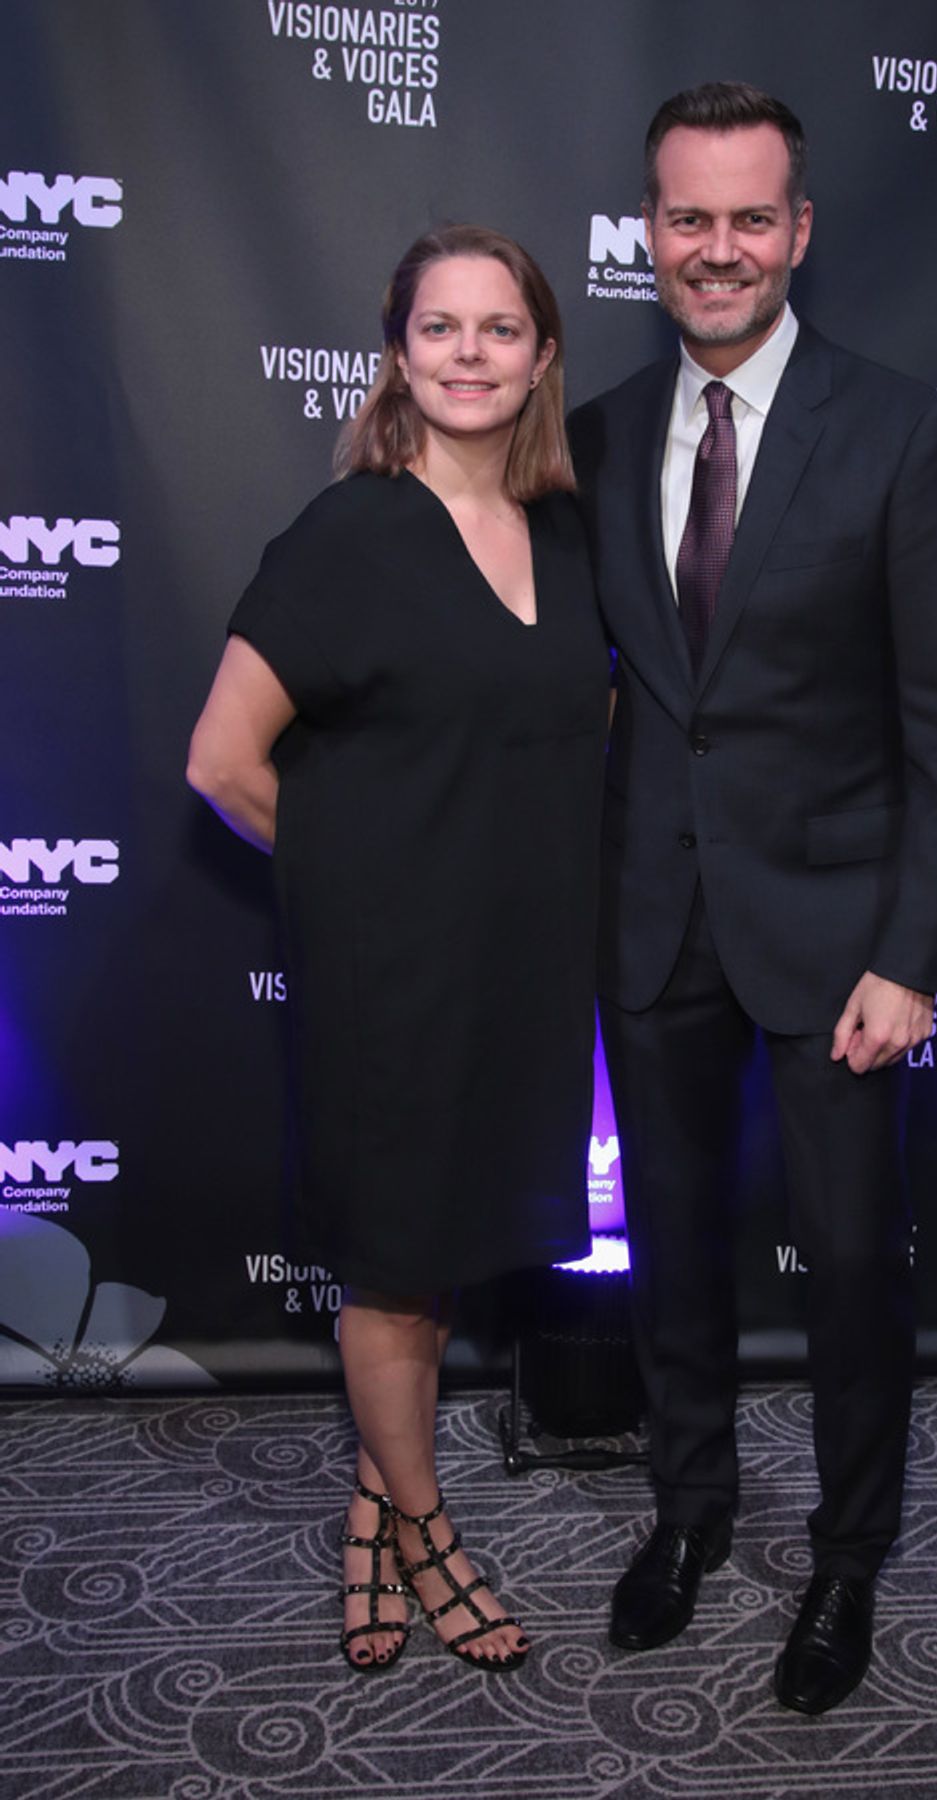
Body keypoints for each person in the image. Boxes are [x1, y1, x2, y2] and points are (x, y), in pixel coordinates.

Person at [569, 83, 937, 1715]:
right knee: (670, 1248)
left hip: (842, 950)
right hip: (652, 922)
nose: (720, 249)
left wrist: (913, 957)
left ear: (799, 231)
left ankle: (846, 1560)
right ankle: (688, 1516)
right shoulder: (599, 433)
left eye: (753, 218)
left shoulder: (900, 431)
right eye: (691, 218)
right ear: (651, 233)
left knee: (848, 1264)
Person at [188, 225, 609, 1676]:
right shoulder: (353, 532)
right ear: (400, 350)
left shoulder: (570, 532)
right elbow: (225, 762)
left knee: (437, 1260)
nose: (472, 353)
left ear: (543, 355)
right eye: (443, 328)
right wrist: (358, 887)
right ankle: (428, 1533)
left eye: (502, 328)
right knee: (390, 1262)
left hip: (526, 961)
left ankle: (369, 1515)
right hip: (392, 970)